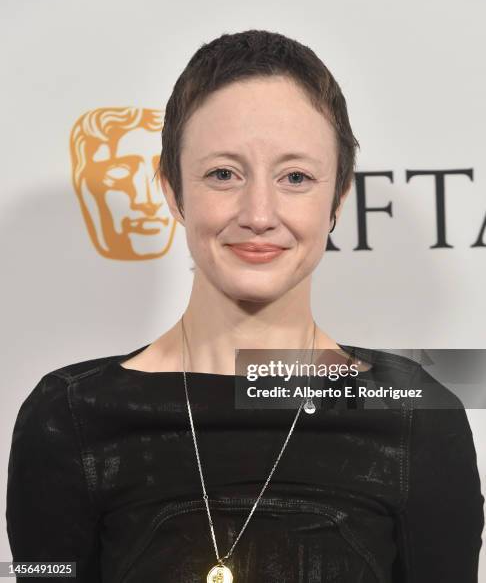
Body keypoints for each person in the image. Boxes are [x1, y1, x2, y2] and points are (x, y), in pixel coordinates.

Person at [6, 29, 484, 582]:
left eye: (296, 177)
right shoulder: (67, 417)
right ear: (172, 189)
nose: (259, 212)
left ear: (339, 197)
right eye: (223, 174)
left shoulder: (413, 414)